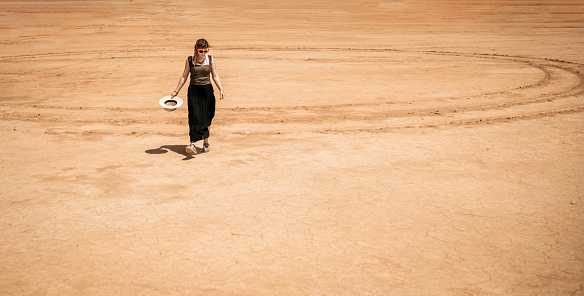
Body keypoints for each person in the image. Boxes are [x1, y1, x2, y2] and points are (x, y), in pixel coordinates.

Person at [171, 38, 224, 155]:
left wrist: (221, 89)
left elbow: (215, 76)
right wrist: (176, 91)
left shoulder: (211, 59)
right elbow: (184, 76)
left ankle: (206, 142)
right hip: (194, 91)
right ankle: (192, 144)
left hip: (207, 91)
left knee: (207, 116)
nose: (203, 53)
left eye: (205, 51)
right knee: (194, 116)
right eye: (201, 51)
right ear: (196, 49)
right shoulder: (190, 60)